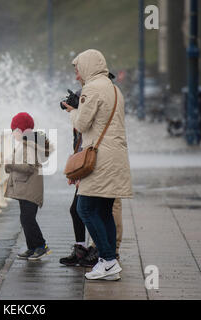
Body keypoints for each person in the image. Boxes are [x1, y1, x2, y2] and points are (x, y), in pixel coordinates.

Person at [63, 49, 132, 280]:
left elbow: (82, 124)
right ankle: (109, 261)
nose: (76, 76)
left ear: (87, 67)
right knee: (104, 212)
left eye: (77, 70)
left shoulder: (92, 89)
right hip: (116, 158)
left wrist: (72, 111)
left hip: (99, 159)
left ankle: (108, 261)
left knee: (84, 209)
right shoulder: (114, 89)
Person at [4, 112, 53, 261]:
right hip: (25, 187)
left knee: (28, 218)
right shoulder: (26, 144)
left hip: (30, 189)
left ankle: (41, 246)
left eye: (14, 130)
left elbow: (29, 167)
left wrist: (10, 165)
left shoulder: (29, 146)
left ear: (21, 130)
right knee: (25, 218)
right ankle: (32, 247)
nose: (13, 134)